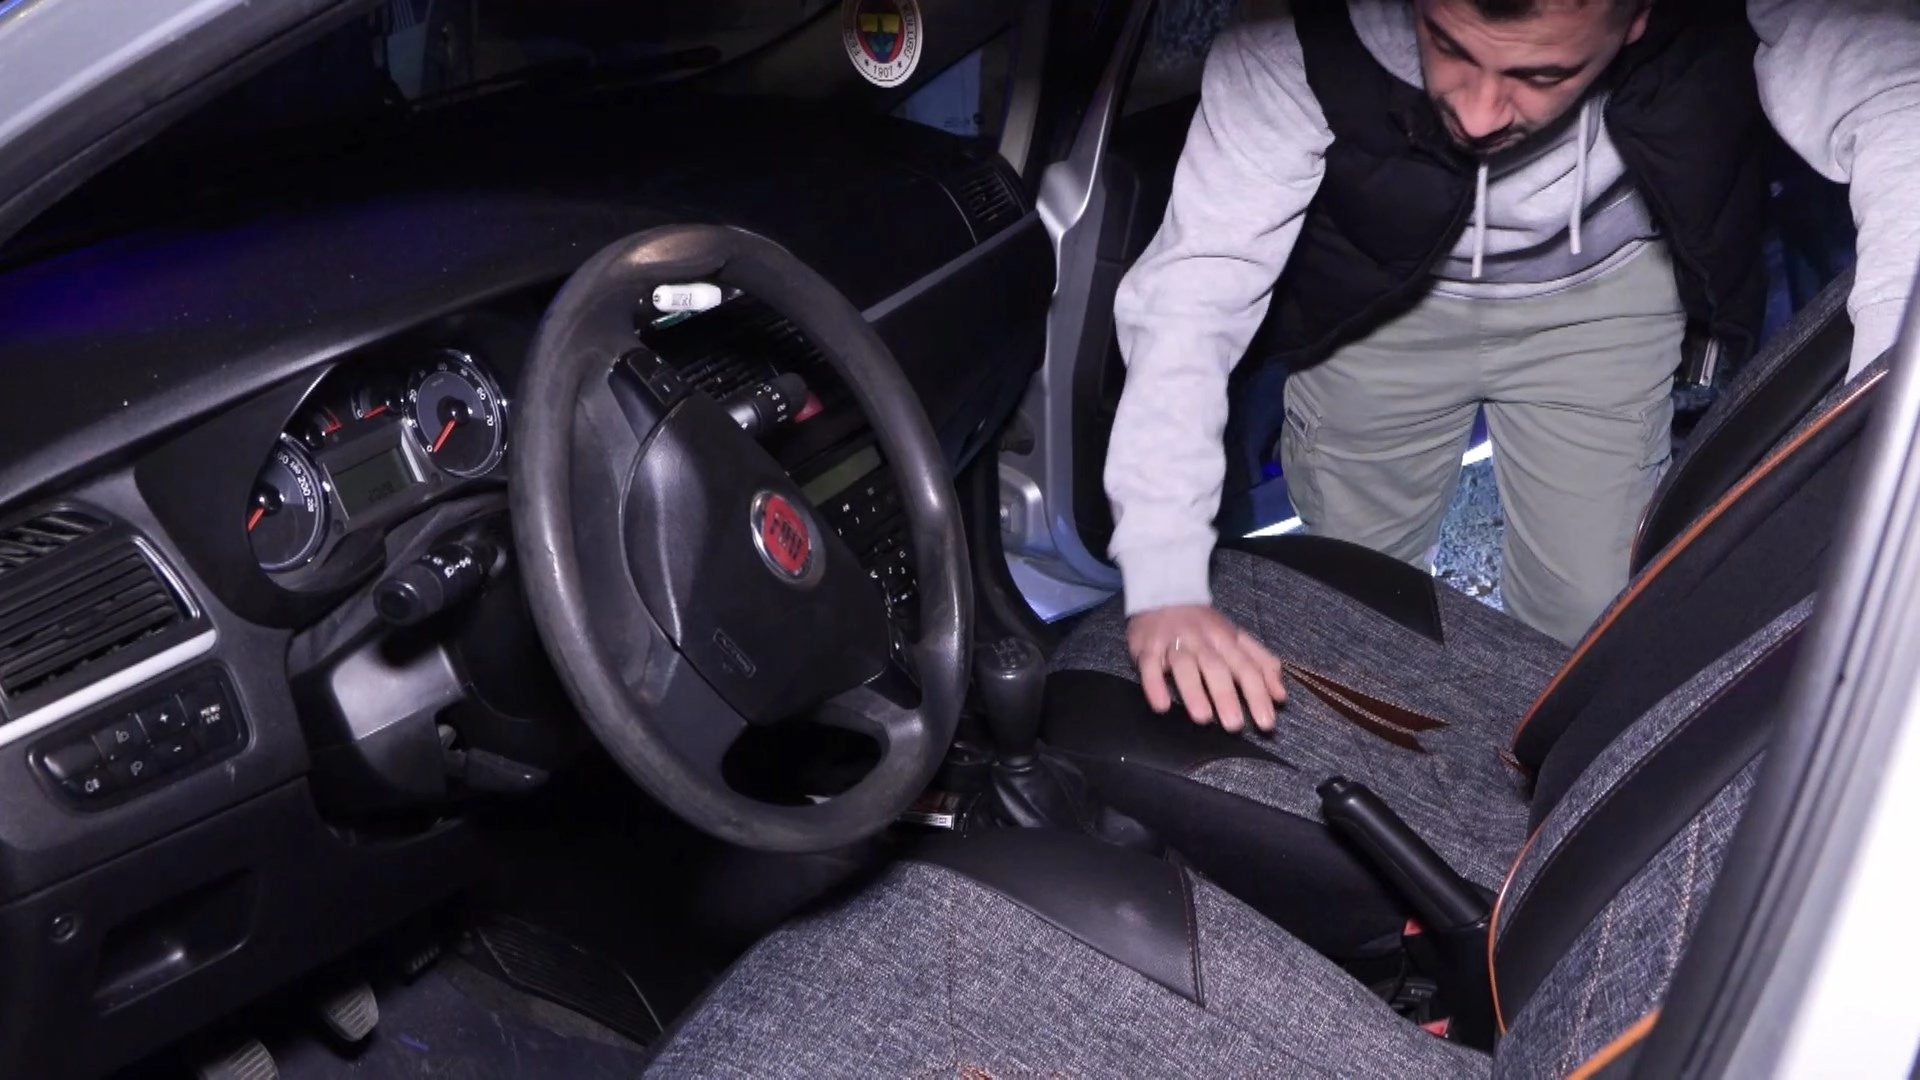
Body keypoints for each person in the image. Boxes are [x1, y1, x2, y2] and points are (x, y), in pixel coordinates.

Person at [1105, 0, 1920, 731]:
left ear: (1638, 17)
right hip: (1375, 305)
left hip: (1604, 299)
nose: (1477, 114)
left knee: (1586, 619)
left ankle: (1526, 796)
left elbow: (1899, 107)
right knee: (1355, 594)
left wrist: (1885, 451)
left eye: (1541, 74)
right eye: (1447, 44)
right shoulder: (1292, 32)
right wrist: (1164, 575)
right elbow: (1193, 291)